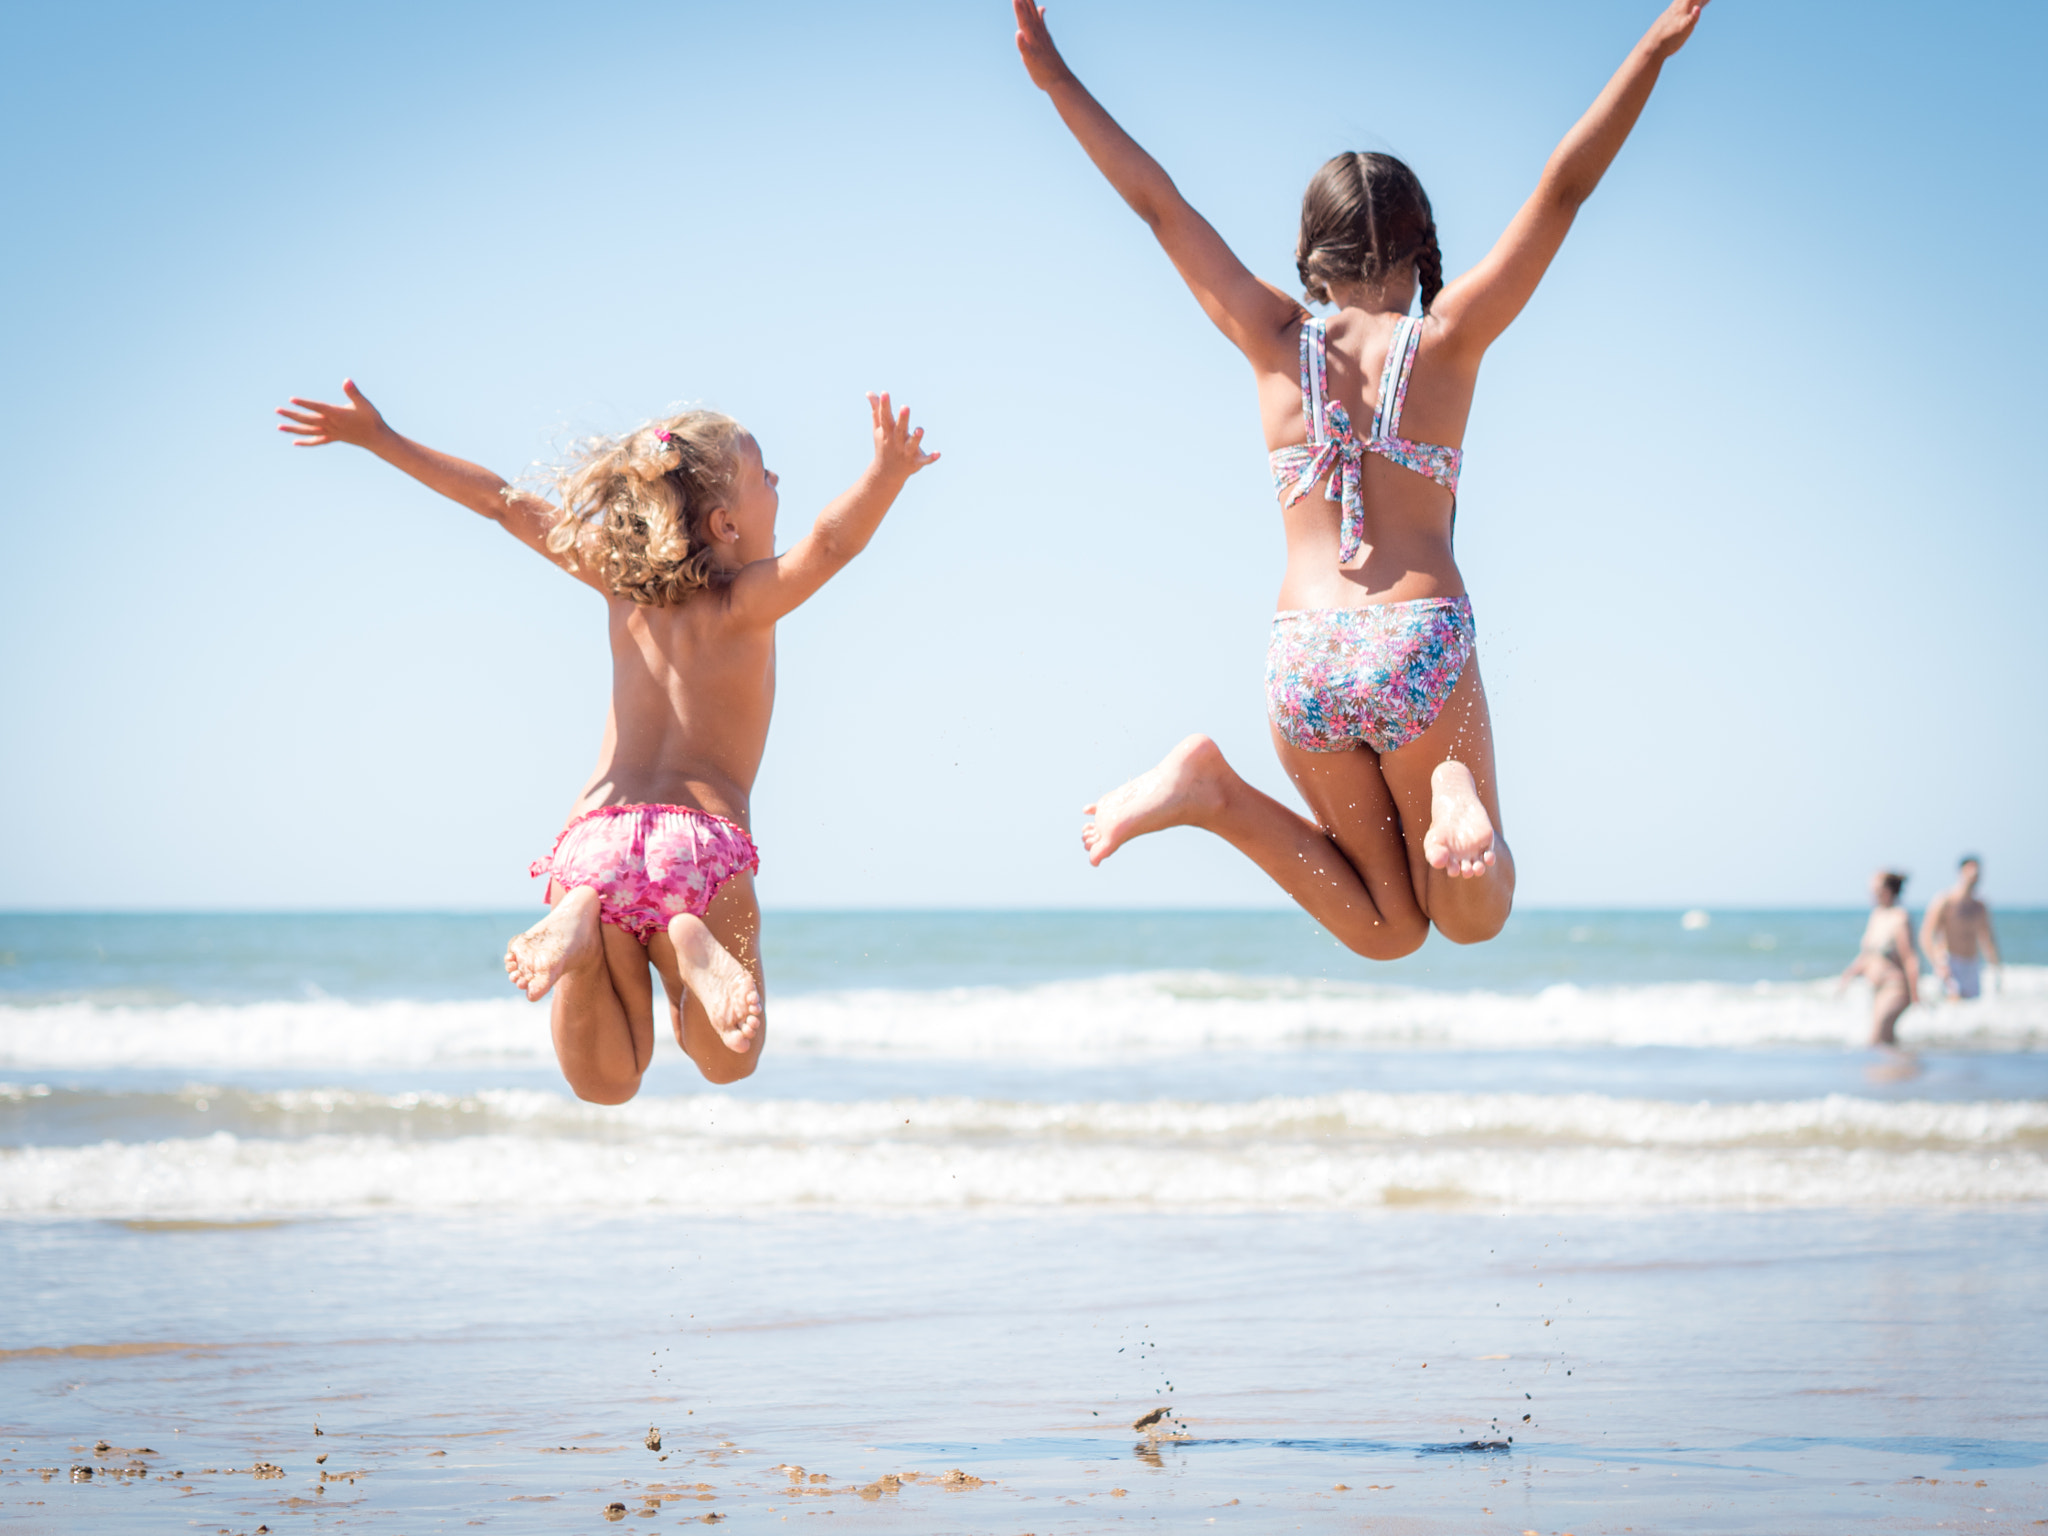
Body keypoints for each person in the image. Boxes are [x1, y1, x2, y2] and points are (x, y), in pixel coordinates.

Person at [1012, 0, 1711, 957]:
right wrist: (1649, 51)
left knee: (1390, 931)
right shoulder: (1449, 339)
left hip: (1304, 660)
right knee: (1471, 914)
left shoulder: (1270, 337)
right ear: (1424, 249)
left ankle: (1211, 792)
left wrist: (1054, 77)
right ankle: (1452, 793)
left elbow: (1158, 203)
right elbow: (1564, 191)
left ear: (1311, 255)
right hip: (1415, 645)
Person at [275, 383, 938, 1099]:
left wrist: (382, 438)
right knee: (727, 1059)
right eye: (762, 476)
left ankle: (582, 940)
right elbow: (833, 542)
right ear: (725, 523)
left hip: (593, 846)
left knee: (606, 1082)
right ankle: (691, 946)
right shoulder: (747, 602)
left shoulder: (620, 585)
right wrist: (885, 475)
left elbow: (501, 502)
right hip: (700, 845)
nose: (778, 482)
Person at [1840, 871, 1920, 1048]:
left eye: (1875, 889)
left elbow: (1909, 957)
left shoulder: (1900, 917)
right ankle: (1900, 1069)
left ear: (1888, 890)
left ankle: (1890, 1072)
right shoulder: (1877, 915)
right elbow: (1868, 954)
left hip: (1896, 987)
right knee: (1886, 1036)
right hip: (1877, 989)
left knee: (1877, 1036)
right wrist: (1849, 974)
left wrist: (1915, 991)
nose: (1871, 893)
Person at [1920, 856, 2001, 1000]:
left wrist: (1996, 968)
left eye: (1978, 872)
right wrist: (1937, 964)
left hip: (1972, 964)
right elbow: (1926, 936)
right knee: (1953, 1003)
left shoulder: (1979, 906)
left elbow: (1988, 939)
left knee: (1971, 1010)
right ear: (1961, 872)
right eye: (1971, 870)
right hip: (1950, 962)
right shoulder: (1945, 901)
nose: (1975, 875)